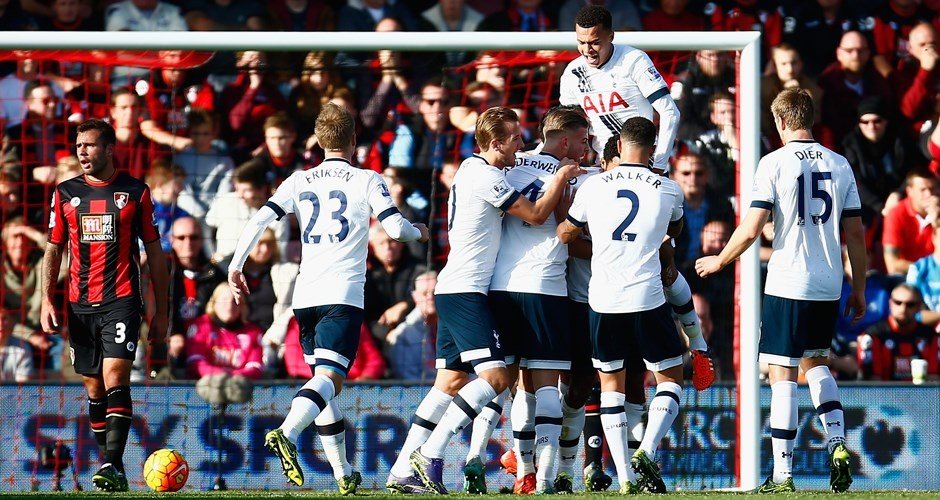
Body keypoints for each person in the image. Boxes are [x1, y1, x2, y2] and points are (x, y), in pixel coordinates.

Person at [227, 103, 429, 493]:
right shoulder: (368, 179)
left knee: (322, 387)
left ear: (319, 142)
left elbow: (259, 219)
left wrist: (236, 265)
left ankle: (342, 473)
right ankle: (286, 432)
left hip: (304, 297)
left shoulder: (298, 180)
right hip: (342, 294)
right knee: (329, 380)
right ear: (354, 140)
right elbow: (396, 230)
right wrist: (419, 231)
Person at [387, 107, 580, 494]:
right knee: (495, 378)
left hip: (457, 286)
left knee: (449, 382)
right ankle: (429, 456)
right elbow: (539, 214)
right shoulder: (487, 176)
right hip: (466, 292)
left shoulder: (472, 168)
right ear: (495, 143)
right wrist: (560, 175)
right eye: (514, 140)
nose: (520, 147)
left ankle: (399, 470)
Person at [695, 88, 866, 493]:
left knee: (782, 373)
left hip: (789, 279)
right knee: (817, 362)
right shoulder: (840, 164)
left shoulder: (773, 162)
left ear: (781, 122)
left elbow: (752, 228)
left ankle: (783, 475)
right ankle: (839, 443)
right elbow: (855, 235)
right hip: (827, 282)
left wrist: (720, 260)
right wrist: (857, 288)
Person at [560, 4, 709, 379]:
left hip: (642, 165)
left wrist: (658, 160)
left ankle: (698, 342)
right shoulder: (572, 73)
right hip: (601, 170)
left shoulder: (633, 62)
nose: (587, 50)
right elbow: (567, 125)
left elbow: (669, 112)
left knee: (662, 258)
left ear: (610, 36)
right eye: (580, 42)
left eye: (594, 42)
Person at [555, 117, 686, 493]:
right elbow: (674, 229)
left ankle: (626, 479)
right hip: (647, 296)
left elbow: (567, 232)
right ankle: (645, 449)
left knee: (610, 385)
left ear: (620, 144)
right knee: (670, 378)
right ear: (653, 145)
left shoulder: (593, 186)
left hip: (603, 297)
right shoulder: (667, 188)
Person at [39, 118, 169, 491]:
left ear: (110, 149)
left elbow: (155, 253)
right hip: (80, 305)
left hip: (122, 301)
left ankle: (111, 462)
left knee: (115, 377)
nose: (82, 151)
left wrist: (163, 309)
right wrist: (47, 297)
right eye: (79, 145)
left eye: (90, 145)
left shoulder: (135, 192)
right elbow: (54, 248)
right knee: (94, 388)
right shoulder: (65, 194)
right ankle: (113, 472)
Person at [479, 106, 589, 495]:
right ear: (564, 142)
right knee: (544, 385)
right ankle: (543, 477)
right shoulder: (578, 178)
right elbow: (564, 230)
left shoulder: (505, 166)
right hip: (546, 287)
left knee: (511, 386)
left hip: (501, 285)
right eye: (581, 140)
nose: (586, 148)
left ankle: (516, 466)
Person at [857, 284, 938, 381]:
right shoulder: (874, 336)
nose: (903, 309)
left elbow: (934, 378)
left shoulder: (931, 336)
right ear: (890, 303)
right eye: (898, 303)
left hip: (921, 394)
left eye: (910, 305)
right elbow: (873, 381)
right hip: (884, 394)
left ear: (919, 307)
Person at [186, 282, 263, 379]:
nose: (229, 306)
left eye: (235, 301)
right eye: (224, 301)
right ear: (214, 303)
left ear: (242, 306)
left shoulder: (253, 332)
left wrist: (232, 378)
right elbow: (195, 362)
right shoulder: (201, 325)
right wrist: (220, 375)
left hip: (239, 387)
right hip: (206, 385)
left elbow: (255, 368)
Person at [882, 169, 938, 276]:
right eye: (923, 190)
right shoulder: (896, 214)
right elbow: (892, 265)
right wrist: (924, 270)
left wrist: (936, 223)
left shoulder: (938, 212)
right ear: (909, 191)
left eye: (932, 188)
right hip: (907, 276)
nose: (929, 194)